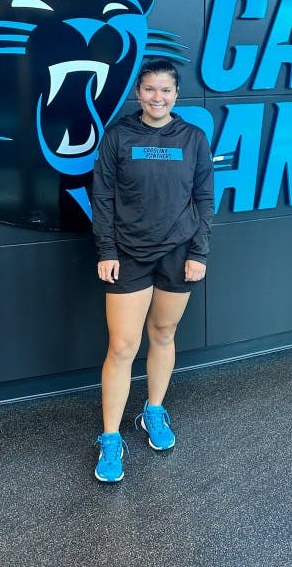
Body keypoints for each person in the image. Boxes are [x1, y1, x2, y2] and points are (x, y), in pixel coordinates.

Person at [91, 58, 214, 482]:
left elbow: (204, 199)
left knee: (162, 334)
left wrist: (199, 253)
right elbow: (102, 197)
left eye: (165, 90)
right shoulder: (119, 136)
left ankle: (153, 411)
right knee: (123, 347)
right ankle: (110, 439)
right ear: (138, 94)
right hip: (128, 254)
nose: (157, 97)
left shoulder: (193, 138)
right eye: (149, 89)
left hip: (179, 253)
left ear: (176, 95)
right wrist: (106, 250)